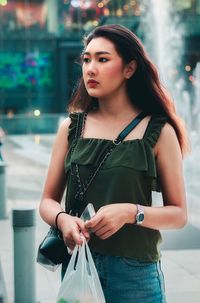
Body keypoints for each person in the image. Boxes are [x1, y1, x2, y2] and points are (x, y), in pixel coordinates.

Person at [39, 24, 190, 303]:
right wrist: (63, 221)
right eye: (86, 59)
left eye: (102, 59)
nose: (90, 68)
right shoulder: (71, 128)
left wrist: (131, 213)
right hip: (79, 268)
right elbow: (47, 200)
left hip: (136, 276)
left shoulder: (158, 131)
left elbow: (179, 214)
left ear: (129, 69)